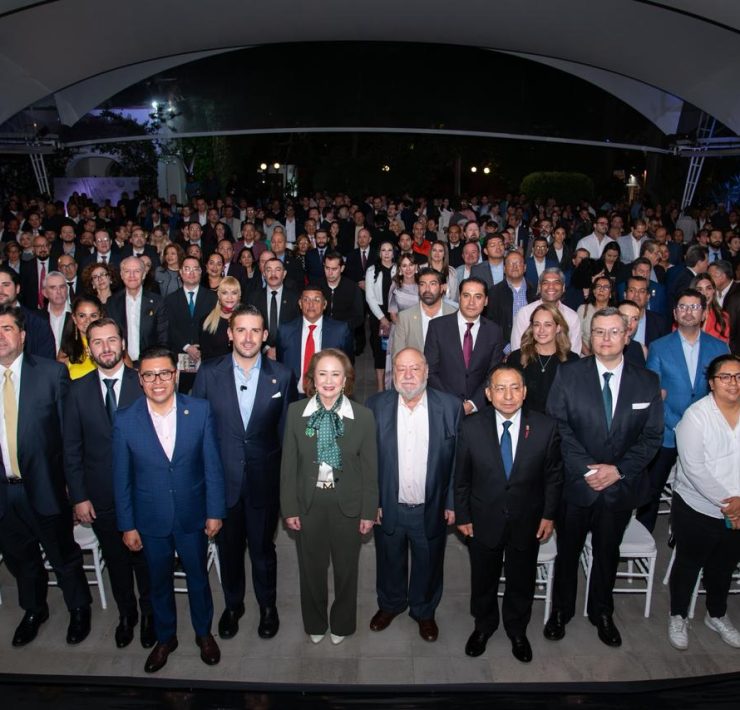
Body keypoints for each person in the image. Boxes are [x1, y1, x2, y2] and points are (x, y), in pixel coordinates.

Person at [544, 307, 663, 648]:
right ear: (589, 337)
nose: (606, 338)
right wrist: (588, 468)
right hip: (576, 484)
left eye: (613, 332)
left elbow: (652, 437)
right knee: (567, 551)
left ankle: (602, 612)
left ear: (627, 336)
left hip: (620, 487)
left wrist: (618, 470)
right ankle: (561, 611)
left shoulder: (647, 381)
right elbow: (558, 426)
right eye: (598, 332)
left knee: (607, 552)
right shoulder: (568, 374)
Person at [113, 346, 226, 673]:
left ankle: (204, 633)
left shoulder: (200, 410)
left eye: (164, 373)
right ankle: (166, 638)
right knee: (158, 582)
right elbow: (121, 478)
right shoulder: (125, 420)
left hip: (193, 515)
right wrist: (127, 525)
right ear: (140, 379)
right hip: (150, 519)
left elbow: (212, 466)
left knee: (198, 579)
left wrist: (215, 511)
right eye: (149, 375)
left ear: (175, 375)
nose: (157, 381)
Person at [192, 305, 296, 641]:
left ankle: (268, 607)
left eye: (255, 331)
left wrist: (287, 487)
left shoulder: (283, 375)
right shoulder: (209, 373)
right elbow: (197, 433)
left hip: (264, 482)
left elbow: (287, 435)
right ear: (229, 334)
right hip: (223, 483)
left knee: (263, 550)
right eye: (241, 330)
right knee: (230, 551)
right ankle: (233, 605)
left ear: (265, 336)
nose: (248, 338)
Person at [455, 364, 562, 661]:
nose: (508, 395)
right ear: (488, 394)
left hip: (527, 520)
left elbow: (554, 476)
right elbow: (461, 478)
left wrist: (549, 515)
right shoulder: (471, 427)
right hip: (482, 519)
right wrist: (463, 516)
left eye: (515, 388)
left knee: (521, 579)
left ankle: (517, 630)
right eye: (500, 388)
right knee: (483, 578)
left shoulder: (545, 427)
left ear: (524, 392)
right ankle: (484, 626)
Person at [0, 303, 92, 647]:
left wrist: (76, 491)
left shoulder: (51, 375)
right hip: (4, 493)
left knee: (63, 555)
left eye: (7, 329)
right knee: (20, 559)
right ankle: (34, 609)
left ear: (22, 336)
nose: (1, 337)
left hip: (45, 487)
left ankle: (79, 608)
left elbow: (70, 439)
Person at [63, 317, 154, 649]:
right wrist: (79, 497)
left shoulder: (144, 383)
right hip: (100, 495)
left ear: (123, 343)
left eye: (112, 340)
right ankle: (126, 614)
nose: (106, 348)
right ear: (89, 349)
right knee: (116, 560)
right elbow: (71, 449)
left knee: (145, 560)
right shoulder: (77, 390)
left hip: (143, 492)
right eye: (98, 342)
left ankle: (150, 614)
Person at [280, 349, 378, 645]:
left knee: (347, 570)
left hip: (348, 505)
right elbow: (288, 466)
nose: (329, 380)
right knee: (311, 569)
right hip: (308, 505)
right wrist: (289, 508)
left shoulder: (362, 416)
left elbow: (370, 469)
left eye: (336, 374)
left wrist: (368, 512)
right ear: (312, 378)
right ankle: (315, 621)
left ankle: (342, 623)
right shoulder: (296, 413)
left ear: (346, 379)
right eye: (322, 373)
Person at [365, 348, 462, 642]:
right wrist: (372, 501)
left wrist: (451, 502)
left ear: (426, 372)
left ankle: (424, 610)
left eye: (415, 369)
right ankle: (391, 604)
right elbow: (365, 459)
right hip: (388, 505)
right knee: (388, 559)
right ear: (392, 373)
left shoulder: (450, 406)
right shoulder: (375, 406)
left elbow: (458, 460)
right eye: (401, 369)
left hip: (431, 506)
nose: (408, 376)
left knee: (429, 562)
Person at [637, 289, 729, 532]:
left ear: (704, 313)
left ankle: (694, 535)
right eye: (683, 307)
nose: (688, 312)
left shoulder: (719, 348)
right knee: (652, 489)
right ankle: (644, 535)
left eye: (694, 307)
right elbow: (653, 393)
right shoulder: (659, 347)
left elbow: (723, 394)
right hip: (668, 430)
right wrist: (678, 424)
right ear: (675, 313)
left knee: (705, 489)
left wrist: (697, 426)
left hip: (707, 433)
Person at [668, 354, 740, 651]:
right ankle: (678, 615)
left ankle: (717, 615)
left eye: (738, 376)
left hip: (738, 511)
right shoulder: (696, 417)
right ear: (712, 383)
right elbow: (694, 468)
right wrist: (731, 503)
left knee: (724, 566)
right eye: (725, 377)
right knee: (688, 564)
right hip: (697, 507)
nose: (733, 383)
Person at [426, 277, 504, 415]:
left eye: (478, 297)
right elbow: (430, 371)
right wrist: (452, 403)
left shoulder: (494, 331)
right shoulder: (437, 327)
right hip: (443, 408)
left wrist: (473, 404)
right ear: (459, 298)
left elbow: (494, 374)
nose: (471, 302)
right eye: (466, 295)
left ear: (486, 301)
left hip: (479, 411)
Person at [276, 286, 354, 396]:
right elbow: (280, 364)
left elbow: (347, 365)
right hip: (294, 395)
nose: (311, 304)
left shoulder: (340, 331)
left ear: (324, 304)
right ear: (300, 304)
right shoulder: (285, 331)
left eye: (316, 300)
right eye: (306, 300)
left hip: (327, 394)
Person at [508, 303, 579, 413]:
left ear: (558, 328)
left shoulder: (572, 361)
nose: (541, 330)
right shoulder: (517, 358)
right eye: (537, 324)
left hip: (558, 422)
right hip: (525, 421)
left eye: (548, 325)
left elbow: (574, 403)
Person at [164, 256, 218, 386]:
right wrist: (187, 347)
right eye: (187, 269)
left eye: (195, 269)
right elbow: (169, 327)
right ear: (181, 273)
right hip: (179, 357)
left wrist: (201, 348)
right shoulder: (170, 299)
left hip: (206, 358)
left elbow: (215, 327)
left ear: (201, 272)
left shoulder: (213, 298)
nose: (191, 273)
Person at [107, 256, 169, 366]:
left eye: (137, 271)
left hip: (150, 363)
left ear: (144, 274)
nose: (132, 275)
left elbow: (163, 338)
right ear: (121, 275)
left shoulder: (157, 302)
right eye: (127, 271)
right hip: (120, 364)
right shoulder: (112, 302)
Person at [511, 268, 583, 355]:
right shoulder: (525, 313)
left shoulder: (572, 316)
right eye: (546, 283)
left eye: (556, 283)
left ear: (563, 288)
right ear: (539, 287)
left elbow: (574, 351)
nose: (551, 286)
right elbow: (517, 349)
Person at [392, 267, 458, 357]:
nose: (427, 289)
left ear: (442, 288)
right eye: (422, 284)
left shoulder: (454, 315)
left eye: (432, 284)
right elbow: (397, 356)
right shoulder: (405, 317)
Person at [0, 265, 56, 359]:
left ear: (17, 288)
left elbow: (46, 363)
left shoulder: (38, 323)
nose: (0, 290)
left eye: (6, 285)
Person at [365, 240, 397, 391]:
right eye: (383, 250)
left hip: (396, 313)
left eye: (389, 250)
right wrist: (382, 318)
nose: (386, 253)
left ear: (393, 253)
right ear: (379, 253)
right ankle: (380, 387)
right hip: (378, 315)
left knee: (396, 348)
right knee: (380, 351)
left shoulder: (399, 268)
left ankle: (394, 384)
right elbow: (369, 297)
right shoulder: (372, 270)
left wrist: (394, 316)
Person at [57, 295, 102, 380]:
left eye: (93, 316)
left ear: (100, 317)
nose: (88, 321)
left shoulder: (111, 343)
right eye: (82, 316)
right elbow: (58, 381)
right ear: (74, 318)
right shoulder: (67, 348)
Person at [200, 276, 241, 362]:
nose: (229, 297)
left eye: (234, 293)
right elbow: (206, 357)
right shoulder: (207, 321)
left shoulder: (247, 320)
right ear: (219, 295)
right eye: (225, 293)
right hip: (215, 369)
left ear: (239, 296)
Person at [578, 275, 615, 355]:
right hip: (585, 356)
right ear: (594, 291)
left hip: (608, 356)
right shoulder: (583, 309)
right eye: (598, 286)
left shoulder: (615, 313)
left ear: (610, 293)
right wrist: (590, 356)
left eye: (606, 287)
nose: (601, 290)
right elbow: (577, 336)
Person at [691, 273, 730, 343]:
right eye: (700, 289)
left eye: (708, 288)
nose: (705, 293)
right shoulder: (684, 315)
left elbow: (724, 345)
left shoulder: (723, 317)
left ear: (713, 290)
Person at [388, 254, 420, 322]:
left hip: (420, 325)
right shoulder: (395, 286)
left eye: (411, 265)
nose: (408, 269)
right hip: (400, 325)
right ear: (400, 269)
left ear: (416, 267)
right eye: (404, 266)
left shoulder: (422, 285)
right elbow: (393, 315)